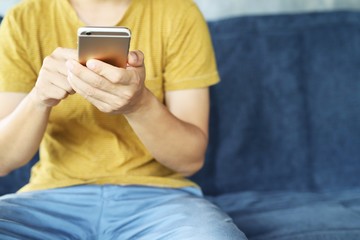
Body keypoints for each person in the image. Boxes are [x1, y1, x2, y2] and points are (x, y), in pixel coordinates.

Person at [0, 0, 247, 239]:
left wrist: (140, 105)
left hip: (158, 200)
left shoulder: (179, 12)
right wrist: (39, 98)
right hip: (49, 198)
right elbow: (3, 159)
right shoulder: (23, 19)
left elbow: (189, 160)